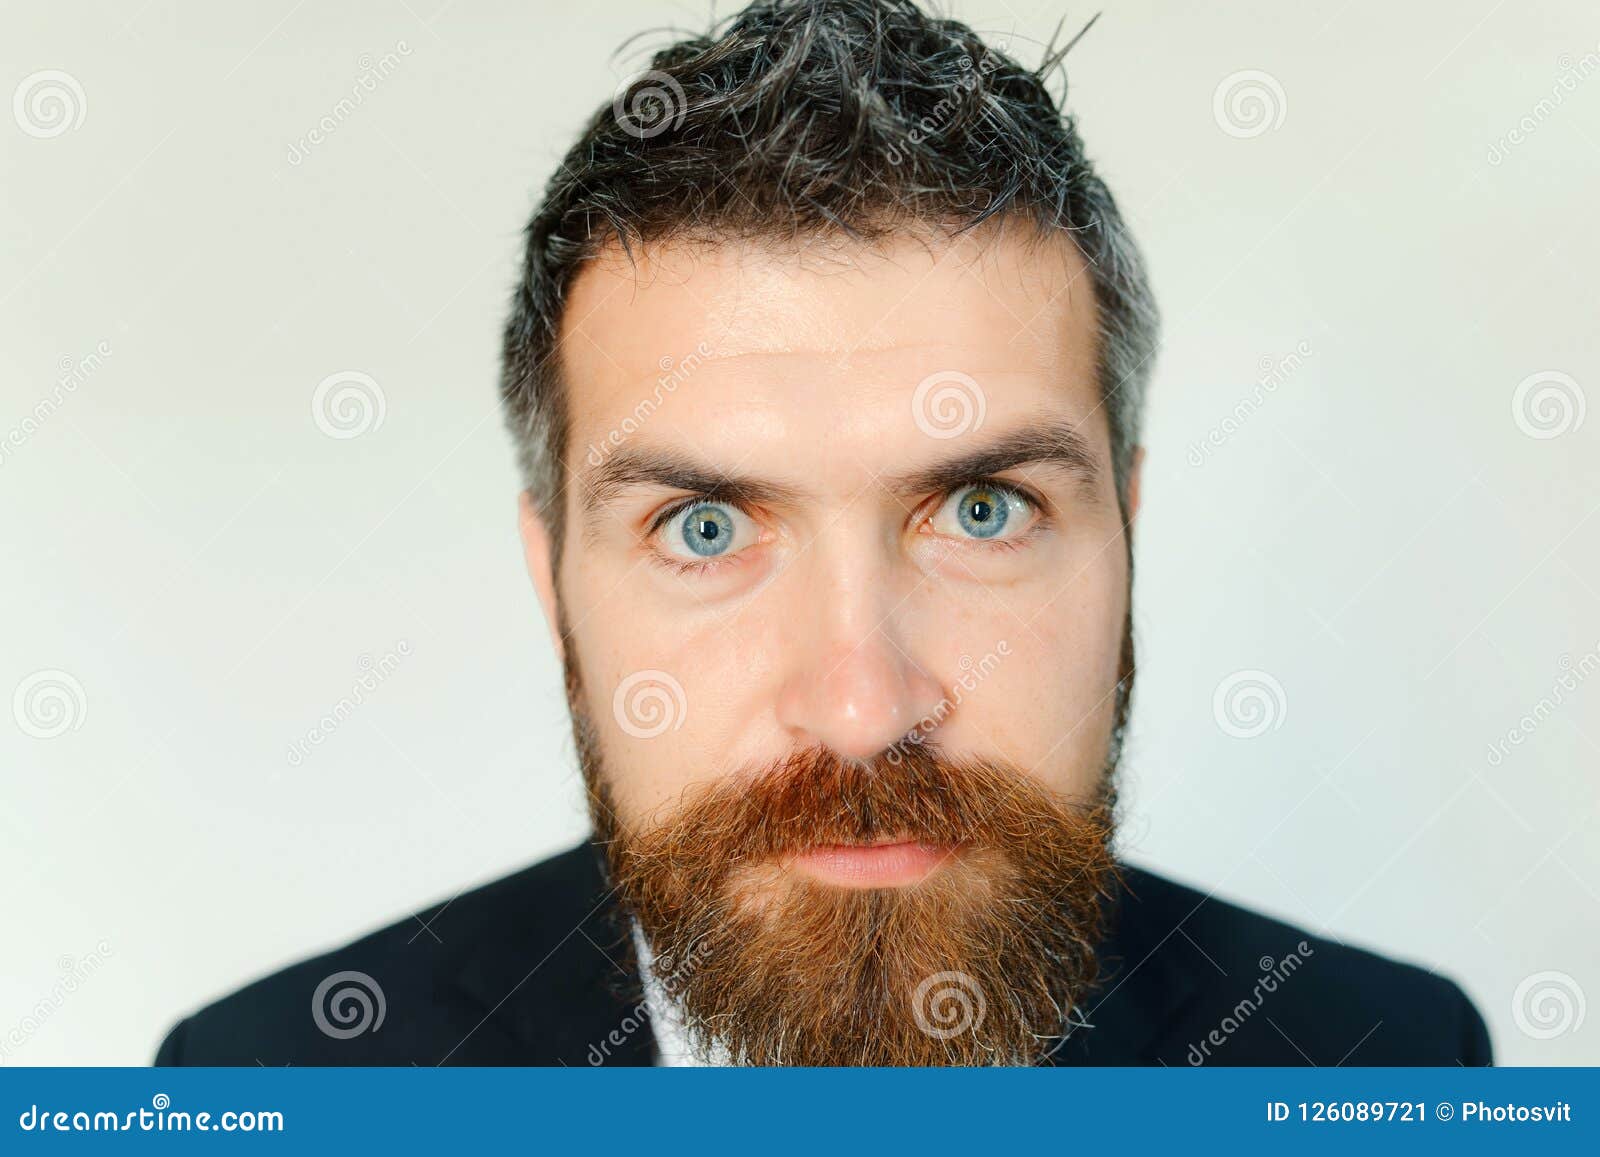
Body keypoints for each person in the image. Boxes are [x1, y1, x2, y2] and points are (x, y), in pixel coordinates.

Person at [155, 0, 1490, 1067]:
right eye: (707, 524)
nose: (862, 711)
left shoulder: (1384, 1064)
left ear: (1126, 536)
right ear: (552, 581)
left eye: (984, 510)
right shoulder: (275, 1084)